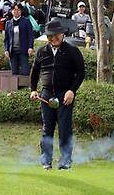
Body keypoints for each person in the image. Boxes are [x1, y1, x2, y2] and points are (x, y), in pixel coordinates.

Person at [30, 19, 85, 170]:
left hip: (64, 94)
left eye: (55, 36)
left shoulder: (72, 50)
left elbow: (80, 73)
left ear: (62, 34)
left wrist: (72, 90)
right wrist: (33, 89)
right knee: (47, 129)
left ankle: (65, 161)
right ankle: (46, 161)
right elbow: (34, 72)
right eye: (49, 36)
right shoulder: (42, 51)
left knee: (65, 129)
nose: (53, 39)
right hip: (46, 94)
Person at [4, 2, 34, 75]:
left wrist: (30, 47)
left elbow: (30, 36)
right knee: (14, 72)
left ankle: (25, 86)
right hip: (12, 51)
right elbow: (6, 38)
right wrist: (6, 50)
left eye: (18, 10)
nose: (16, 12)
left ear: (21, 11)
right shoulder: (8, 23)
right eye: (14, 10)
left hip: (23, 50)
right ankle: (15, 86)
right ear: (11, 11)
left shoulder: (26, 21)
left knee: (25, 71)